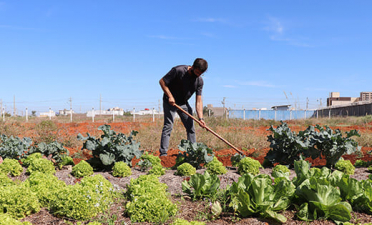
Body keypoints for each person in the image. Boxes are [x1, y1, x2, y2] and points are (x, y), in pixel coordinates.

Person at [159, 58, 208, 156]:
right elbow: (162, 82)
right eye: (197, 72)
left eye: (200, 74)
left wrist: (201, 118)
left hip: (183, 103)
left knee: (191, 127)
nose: (198, 75)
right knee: (168, 126)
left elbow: (198, 101)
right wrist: (170, 96)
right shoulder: (179, 70)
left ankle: (193, 153)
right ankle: (163, 154)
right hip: (170, 101)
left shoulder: (199, 81)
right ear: (193, 67)